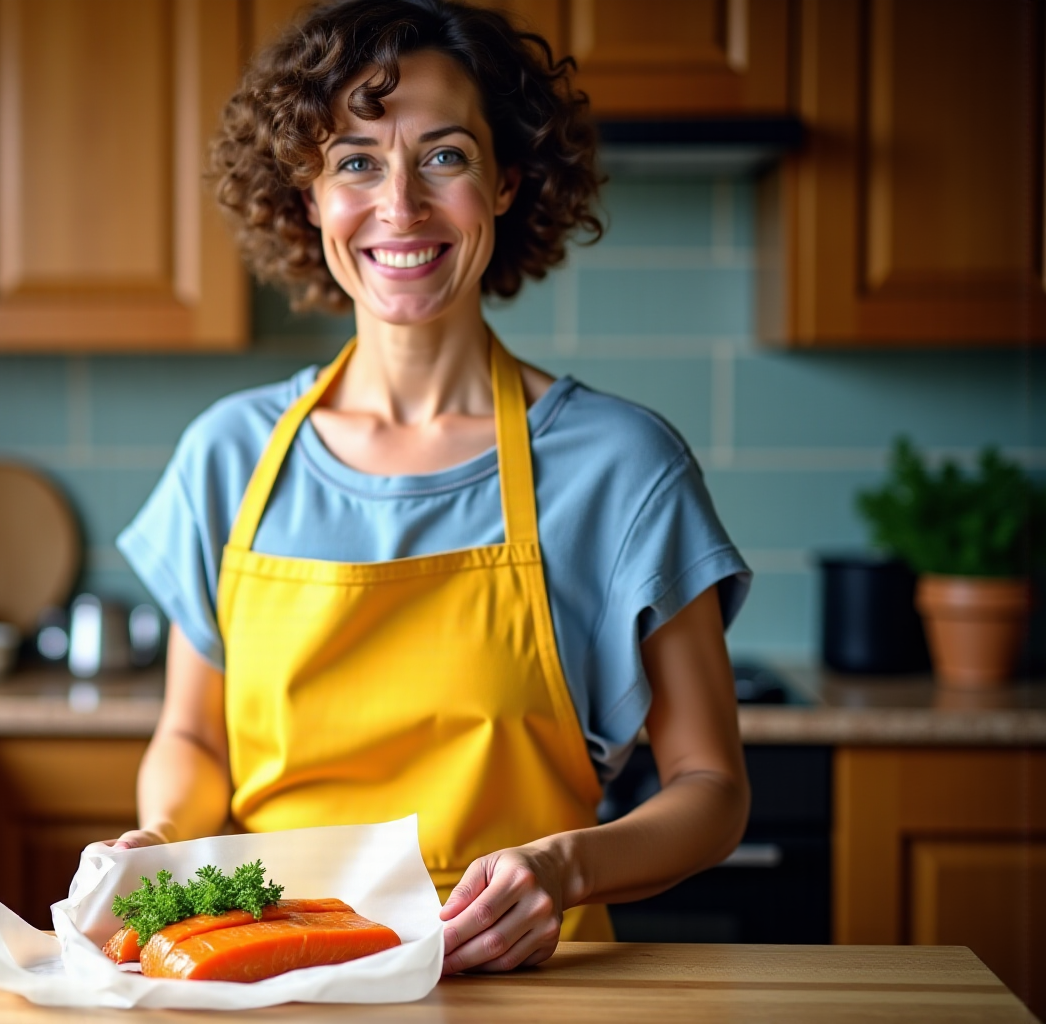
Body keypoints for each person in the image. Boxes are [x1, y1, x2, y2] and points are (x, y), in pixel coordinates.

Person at [110, 0, 752, 975]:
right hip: (269, 976)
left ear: (505, 182)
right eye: (356, 161)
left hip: (528, 979)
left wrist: (566, 868)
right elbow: (193, 741)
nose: (399, 204)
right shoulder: (229, 455)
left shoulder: (622, 466)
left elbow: (711, 788)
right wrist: (156, 839)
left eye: (444, 156)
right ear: (309, 195)